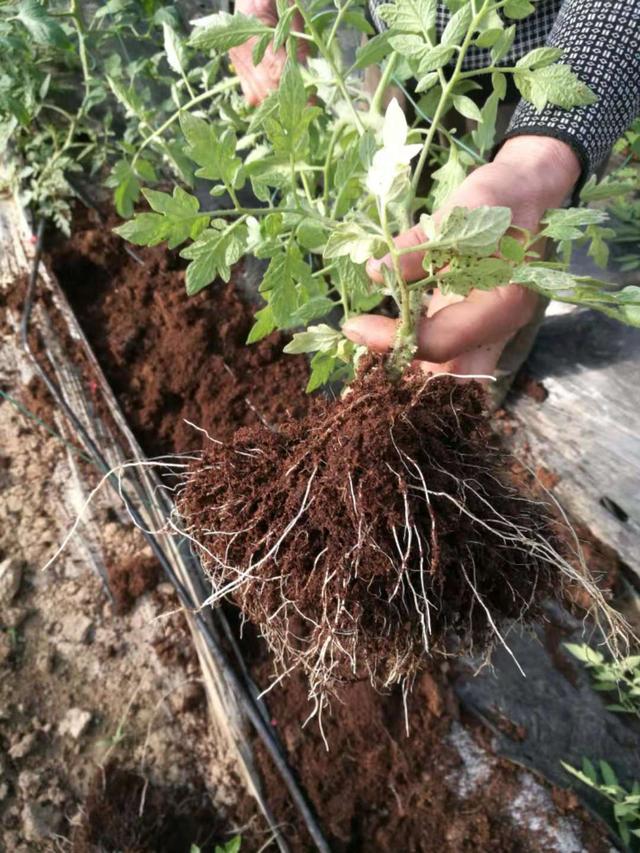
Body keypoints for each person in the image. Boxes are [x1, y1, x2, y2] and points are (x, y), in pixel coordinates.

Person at [230, 0, 640, 383]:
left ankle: (487, 388)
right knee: (421, 205)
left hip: (541, 68)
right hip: (396, 49)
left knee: (508, 269)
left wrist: (541, 159)